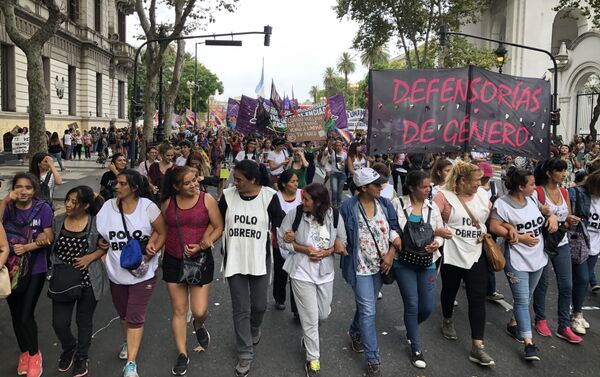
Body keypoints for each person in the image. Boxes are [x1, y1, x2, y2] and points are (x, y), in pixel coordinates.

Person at [95, 169, 167, 377]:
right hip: (116, 272)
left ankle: (131, 364)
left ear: (134, 187)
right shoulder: (108, 207)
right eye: (116, 183)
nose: (116, 186)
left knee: (135, 315)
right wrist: (101, 247)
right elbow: (100, 236)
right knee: (124, 314)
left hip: (143, 272)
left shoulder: (147, 207)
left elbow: (162, 232)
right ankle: (128, 340)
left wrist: (152, 250)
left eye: (122, 183)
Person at [219, 160, 285, 377]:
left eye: (239, 179)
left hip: (259, 258)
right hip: (234, 260)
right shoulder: (228, 196)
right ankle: (245, 353)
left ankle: (254, 327)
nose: (234, 182)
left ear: (253, 180)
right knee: (241, 308)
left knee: (259, 305)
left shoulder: (269, 196)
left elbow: (281, 223)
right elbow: (216, 222)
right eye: (234, 178)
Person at [277, 183, 347, 377]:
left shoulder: (334, 216)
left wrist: (328, 251)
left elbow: (343, 240)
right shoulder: (295, 214)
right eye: (303, 198)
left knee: (322, 314)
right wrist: (302, 248)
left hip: (325, 273)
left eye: (307, 199)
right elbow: (282, 240)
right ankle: (313, 358)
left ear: (319, 202)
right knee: (309, 318)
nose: (303, 202)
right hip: (301, 272)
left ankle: (308, 340)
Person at [160, 166, 224, 375]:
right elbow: (161, 230)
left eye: (194, 180)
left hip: (200, 260)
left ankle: (198, 325)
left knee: (199, 310)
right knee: (179, 309)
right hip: (173, 260)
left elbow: (218, 226)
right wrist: (152, 247)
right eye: (187, 183)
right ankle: (182, 353)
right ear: (176, 186)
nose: (193, 185)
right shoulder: (168, 203)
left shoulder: (207, 200)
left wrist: (205, 243)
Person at [339, 168, 401, 377]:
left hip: (382, 266)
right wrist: (339, 244)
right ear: (363, 188)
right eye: (376, 185)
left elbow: (395, 229)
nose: (380, 187)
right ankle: (372, 357)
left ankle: (355, 332)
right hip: (359, 268)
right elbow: (339, 233)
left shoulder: (385, 204)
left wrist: (391, 254)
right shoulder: (348, 207)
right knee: (368, 310)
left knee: (368, 306)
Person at [433, 161, 495, 366]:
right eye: (476, 180)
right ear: (461, 181)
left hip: (476, 252)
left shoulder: (483, 196)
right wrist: (439, 230)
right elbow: (430, 221)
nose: (480, 184)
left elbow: (488, 217)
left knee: (477, 296)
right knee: (449, 290)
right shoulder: (443, 196)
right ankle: (448, 318)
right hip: (452, 252)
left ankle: (477, 346)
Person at [489, 167, 553, 361]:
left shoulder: (532, 198)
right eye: (532, 184)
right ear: (520, 186)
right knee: (523, 299)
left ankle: (514, 323)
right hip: (516, 260)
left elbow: (545, 211)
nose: (535, 187)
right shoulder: (502, 204)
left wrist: (552, 217)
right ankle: (529, 343)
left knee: (525, 297)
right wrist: (515, 235)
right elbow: (493, 226)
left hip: (539, 257)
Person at [50, 186, 109, 377]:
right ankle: (69, 347)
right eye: (67, 200)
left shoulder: (96, 223)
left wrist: (90, 257)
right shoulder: (58, 221)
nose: (68, 204)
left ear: (85, 205)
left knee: (84, 321)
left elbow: (105, 246)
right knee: (59, 323)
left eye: (74, 202)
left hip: (88, 278)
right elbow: (51, 242)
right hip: (63, 278)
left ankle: (82, 357)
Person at [2, 172, 54, 377]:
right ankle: (24, 352)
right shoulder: (7, 207)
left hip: (35, 268)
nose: (23, 191)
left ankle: (35, 355)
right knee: (15, 315)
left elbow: (49, 236)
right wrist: (5, 201)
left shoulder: (43, 209)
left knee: (25, 315)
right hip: (10, 269)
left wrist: (30, 245)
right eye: (19, 187)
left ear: (35, 190)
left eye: (28, 187)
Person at [392, 170, 444, 369]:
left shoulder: (433, 207)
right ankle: (415, 347)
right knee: (412, 305)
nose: (428, 190)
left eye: (429, 186)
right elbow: (390, 227)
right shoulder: (397, 204)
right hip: (403, 262)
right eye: (424, 186)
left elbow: (439, 230)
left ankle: (410, 327)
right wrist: (395, 240)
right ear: (412, 187)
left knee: (427, 307)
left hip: (427, 262)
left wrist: (437, 243)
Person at [532, 158, 583, 343]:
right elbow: (532, 217)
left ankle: (564, 325)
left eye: (564, 171)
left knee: (567, 285)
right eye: (559, 171)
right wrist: (548, 216)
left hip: (562, 243)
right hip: (542, 244)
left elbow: (567, 216)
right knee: (542, 283)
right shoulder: (538, 192)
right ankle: (541, 318)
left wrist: (571, 220)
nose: (562, 174)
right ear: (549, 173)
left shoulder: (564, 191)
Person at [273, 170, 302, 314]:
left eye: (297, 181)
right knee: (281, 272)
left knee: (297, 276)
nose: (296, 184)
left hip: (300, 243)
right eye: (292, 181)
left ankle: (297, 309)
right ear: (284, 184)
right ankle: (279, 298)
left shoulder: (303, 195)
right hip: (280, 242)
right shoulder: (275, 198)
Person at [571, 170, 600, 295]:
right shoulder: (579, 194)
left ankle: (576, 307)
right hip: (579, 241)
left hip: (595, 244)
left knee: (585, 277)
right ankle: (576, 309)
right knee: (582, 278)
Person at [328, 140, 347, 209]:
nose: (338, 147)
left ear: (342, 146)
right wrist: (330, 139)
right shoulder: (332, 153)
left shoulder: (345, 154)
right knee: (334, 190)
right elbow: (329, 147)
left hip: (342, 174)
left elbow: (347, 163)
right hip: (334, 174)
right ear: (334, 146)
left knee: (339, 191)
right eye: (336, 145)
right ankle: (334, 204)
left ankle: (339, 204)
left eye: (339, 145)